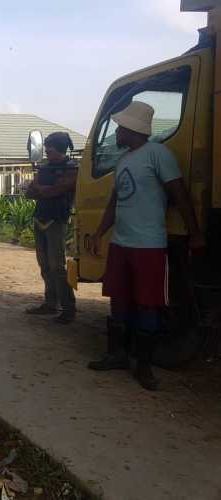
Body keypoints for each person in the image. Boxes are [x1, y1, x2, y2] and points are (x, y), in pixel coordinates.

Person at [87, 101, 205, 390]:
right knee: (118, 300)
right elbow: (115, 201)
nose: (116, 132)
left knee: (148, 304)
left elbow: (179, 194)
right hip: (121, 244)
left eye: (120, 127)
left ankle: (143, 366)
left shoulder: (157, 154)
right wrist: (100, 232)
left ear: (132, 129)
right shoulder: (124, 160)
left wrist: (195, 233)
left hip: (149, 246)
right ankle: (117, 354)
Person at [25, 132, 78, 324]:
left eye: (50, 148)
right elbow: (30, 192)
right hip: (40, 218)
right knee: (45, 265)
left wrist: (41, 189)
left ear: (61, 149)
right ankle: (51, 303)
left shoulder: (72, 168)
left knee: (58, 266)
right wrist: (44, 190)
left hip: (57, 220)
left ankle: (68, 308)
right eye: (46, 147)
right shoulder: (47, 167)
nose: (46, 151)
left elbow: (59, 189)